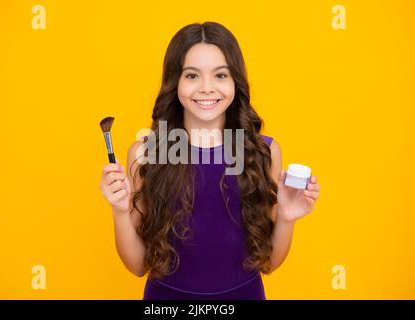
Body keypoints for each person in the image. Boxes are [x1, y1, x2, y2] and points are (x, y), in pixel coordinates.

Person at [100, 22, 321, 300]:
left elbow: (268, 263)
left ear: (235, 81)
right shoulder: (147, 153)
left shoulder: (263, 152)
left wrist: (287, 218)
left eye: (220, 75)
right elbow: (137, 265)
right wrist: (120, 211)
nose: (206, 88)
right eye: (192, 76)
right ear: (174, 82)